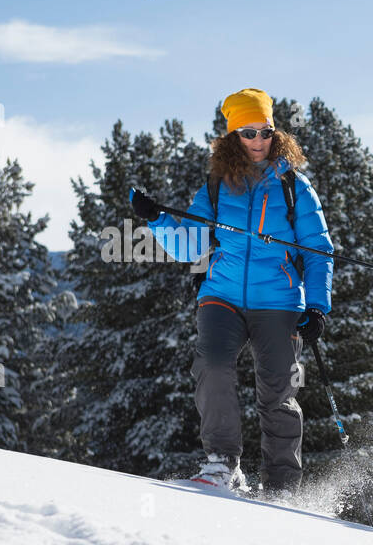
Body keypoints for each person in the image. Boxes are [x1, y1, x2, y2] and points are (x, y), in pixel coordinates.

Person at [130, 88, 334, 493]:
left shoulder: (295, 187)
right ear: (231, 138)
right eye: (248, 133)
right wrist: (156, 220)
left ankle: (281, 487)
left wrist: (317, 306)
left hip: (278, 299)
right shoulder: (217, 187)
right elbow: (191, 245)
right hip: (221, 294)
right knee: (213, 366)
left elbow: (319, 252)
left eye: (265, 132)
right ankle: (223, 464)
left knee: (277, 392)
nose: (258, 141)